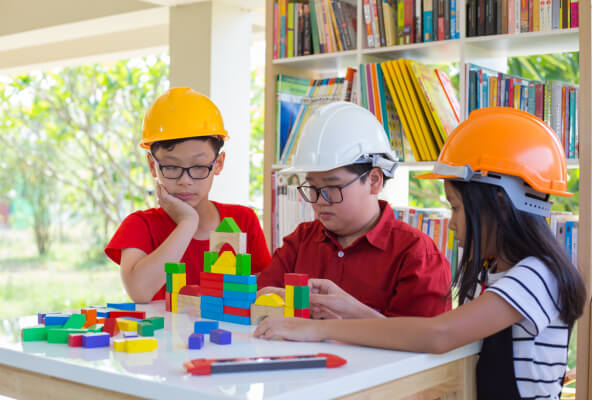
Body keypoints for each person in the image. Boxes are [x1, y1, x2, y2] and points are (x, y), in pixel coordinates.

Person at [254, 107, 588, 399]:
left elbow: (439, 335)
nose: (452, 223)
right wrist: (351, 310)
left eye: (456, 208)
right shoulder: (493, 274)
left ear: (499, 205)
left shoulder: (536, 276)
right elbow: (426, 339)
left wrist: (318, 328)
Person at [257, 102, 452, 319]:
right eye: (312, 187)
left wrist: (353, 316)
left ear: (374, 180)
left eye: (332, 187)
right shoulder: (300, 241)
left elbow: (423, 336)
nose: (319, 200)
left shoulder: (417, 256)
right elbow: (259, 303)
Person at [105, 88, 271, 303]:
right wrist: (187, 223)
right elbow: (140, 292)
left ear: (218, 164)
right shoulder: (139, 225)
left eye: (199, 166)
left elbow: (266, 291)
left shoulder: (243, 220)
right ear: (152, 166)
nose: (185, 180)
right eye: (171, 167)